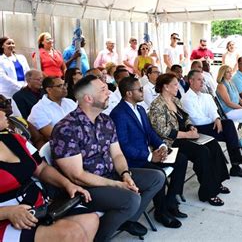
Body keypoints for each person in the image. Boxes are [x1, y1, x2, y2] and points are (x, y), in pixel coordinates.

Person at [50, 75, 164, 240]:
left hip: (110, 175)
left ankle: (125, 219)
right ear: (88, 98)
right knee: (131, 199)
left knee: (156, 178)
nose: (109, 93)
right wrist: (117, 185)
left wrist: (125, 174)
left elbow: (117, 154)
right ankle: (98, 237)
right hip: (85, 188)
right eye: (103, 90)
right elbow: (77, 176)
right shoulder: (66, 129)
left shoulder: (106, 121)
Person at [0, 110, 99, 242]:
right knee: (70, 234)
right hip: (6, 218)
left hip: (37, 206)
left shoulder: (14, 138)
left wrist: (67, 184)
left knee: (90, 220)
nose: (3, 112)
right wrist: (8, 212)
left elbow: (41, 169)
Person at [110, 77, 188, 228]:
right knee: (158, 173)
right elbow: (123, 146)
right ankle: (161, 212)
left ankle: (171, 202)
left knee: (181, 160)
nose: (143, 91)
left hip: (150, 154)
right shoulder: (119, 114)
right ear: (129, 93)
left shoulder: (139, 108)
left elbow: (150, 132)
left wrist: (162, 146)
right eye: (139, 89)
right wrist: (150, 156)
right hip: (134, 161)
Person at [148, 73, 230, 206]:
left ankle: (217, 182)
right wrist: (187, 135)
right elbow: (163, 131)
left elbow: (185, 118)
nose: (177, 87)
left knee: (213, 144)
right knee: (202, 152)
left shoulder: (175, 100)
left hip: (184, 136)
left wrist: (190, 127)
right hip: (171, 142)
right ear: (166, 87)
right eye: (175, 84)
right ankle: (208, 192)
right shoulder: (157, 105)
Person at [182, 69, 242, 177]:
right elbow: (197, 119)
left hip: (212, 125)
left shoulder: (206, 96)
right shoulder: (186, 99)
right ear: (191, 81)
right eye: (199, 80)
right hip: (199, 129)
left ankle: (236, 162)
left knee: (228, 125)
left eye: (203, 80)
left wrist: (217, 119)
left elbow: (213, 111)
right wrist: (214, 120)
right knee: (229, 132)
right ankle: (236, 163)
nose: (202, 82)